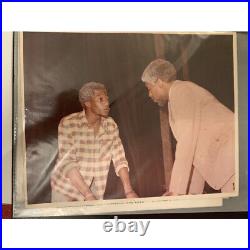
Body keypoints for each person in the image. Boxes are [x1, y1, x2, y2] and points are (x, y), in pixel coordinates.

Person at [141, 59, 235, 196]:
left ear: (159, 82)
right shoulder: (179, 93)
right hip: (231, 161)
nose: (149, 95)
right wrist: (191, 194)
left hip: (234, 159)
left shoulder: (181, 92)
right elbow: (197, 153)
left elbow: (186, 144)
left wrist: (175, 192)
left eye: (149, 89)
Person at [51, 82, 138, 202]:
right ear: (87, 103)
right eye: (100, 99)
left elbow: (119, 159)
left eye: (107, 99)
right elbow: (68, 164)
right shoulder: (68, 123)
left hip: (95, 190)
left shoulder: (110, 125)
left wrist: (129, 191)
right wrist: (88, 195)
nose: (107, 103)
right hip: (66, 191)